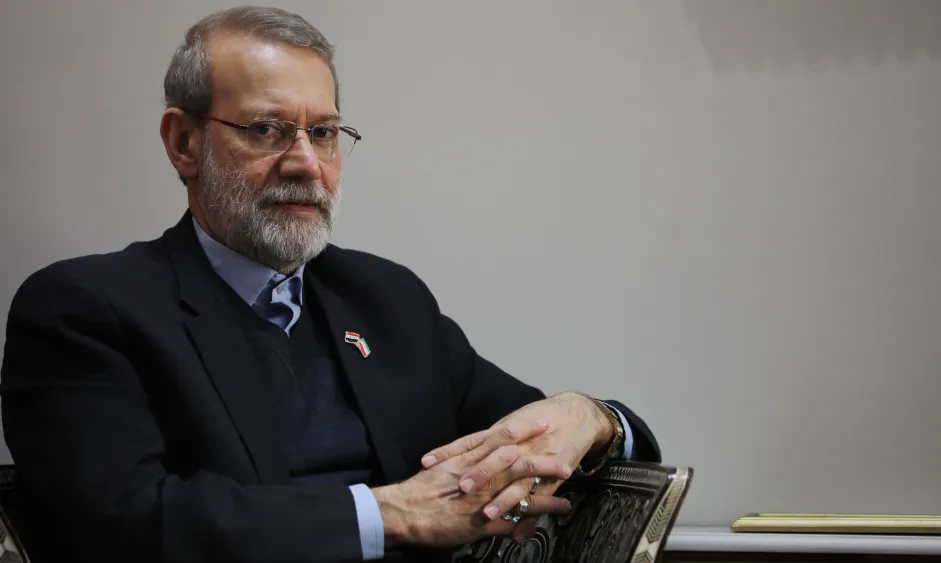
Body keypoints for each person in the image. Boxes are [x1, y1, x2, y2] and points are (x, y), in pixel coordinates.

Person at [0, 6, 660, 563]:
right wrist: (389, 514)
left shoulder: (385, 299)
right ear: (183, 143)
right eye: (266, 129)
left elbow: (526, 447)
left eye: (323, 132)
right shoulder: (85, 309)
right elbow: (126, 522)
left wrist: (594, 419)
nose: (306, 163)